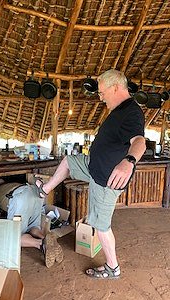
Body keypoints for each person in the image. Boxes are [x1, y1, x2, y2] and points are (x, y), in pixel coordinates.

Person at [34, 69, 146, 279]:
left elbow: (139, 141)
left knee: (101, 226)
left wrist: (129, 161)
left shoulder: (132, 112)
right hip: (94, 166)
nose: (100, 97)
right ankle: (45, 189)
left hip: (106, 179)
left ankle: (113, 267)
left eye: (103, 92)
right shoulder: (119, 110)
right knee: (68, 161)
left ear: (115, 87)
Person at [0, 179, 63, 268]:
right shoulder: (10, 185)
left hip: (20, 198)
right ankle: (46, 237)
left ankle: (41, 244)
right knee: (33, 227)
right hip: (35, 194)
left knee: (15, 237)